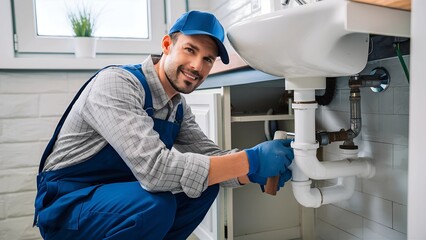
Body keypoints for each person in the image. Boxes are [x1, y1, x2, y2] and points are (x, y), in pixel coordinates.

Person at [33, 10, 294, 240]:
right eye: (190, 50)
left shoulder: (178, 107)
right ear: (167, 44)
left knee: (204, 186)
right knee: (154, 205)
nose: (197, 66)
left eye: (207, 59)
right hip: (69, 205)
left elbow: (212, 158)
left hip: (117, 199)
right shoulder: (117, 84)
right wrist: (252, 159)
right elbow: (155, 170)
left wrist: (248, 172)